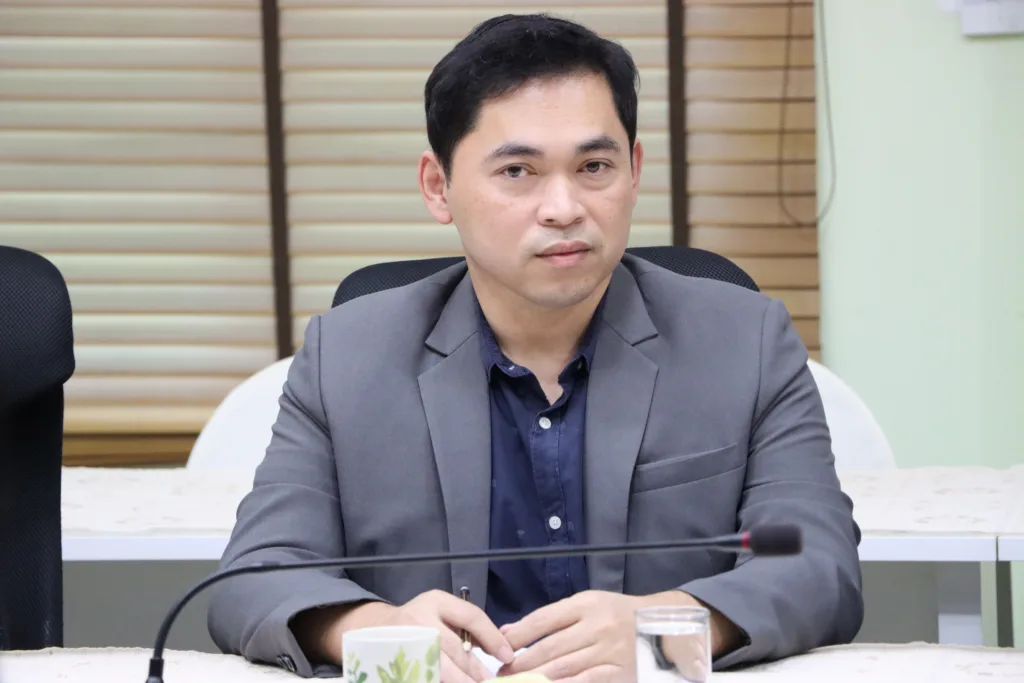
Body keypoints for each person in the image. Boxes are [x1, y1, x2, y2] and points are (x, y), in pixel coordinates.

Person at [207, 13, 863, 683]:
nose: (563, 207)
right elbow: (255, 577)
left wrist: (663, 634)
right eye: (518, 170)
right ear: (438, 187)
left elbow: (817, 561)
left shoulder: (745, 341)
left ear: (635, 170)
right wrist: (378, 632)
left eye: (594, 166)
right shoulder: (346, 357)